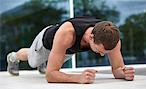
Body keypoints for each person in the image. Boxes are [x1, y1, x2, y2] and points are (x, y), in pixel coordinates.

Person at [7, 17, 135, 84]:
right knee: (32, 61)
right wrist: (79, 78)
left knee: (52, 63)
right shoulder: (67, 33)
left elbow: (117, 70)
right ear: (91, 37)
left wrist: (124, 73)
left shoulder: (111, 38)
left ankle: (47, 62)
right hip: (47, 43)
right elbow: (50, 76)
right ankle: (13, 56)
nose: (102, 55)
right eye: (99, 50)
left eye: (105, 53)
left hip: (67, 50)